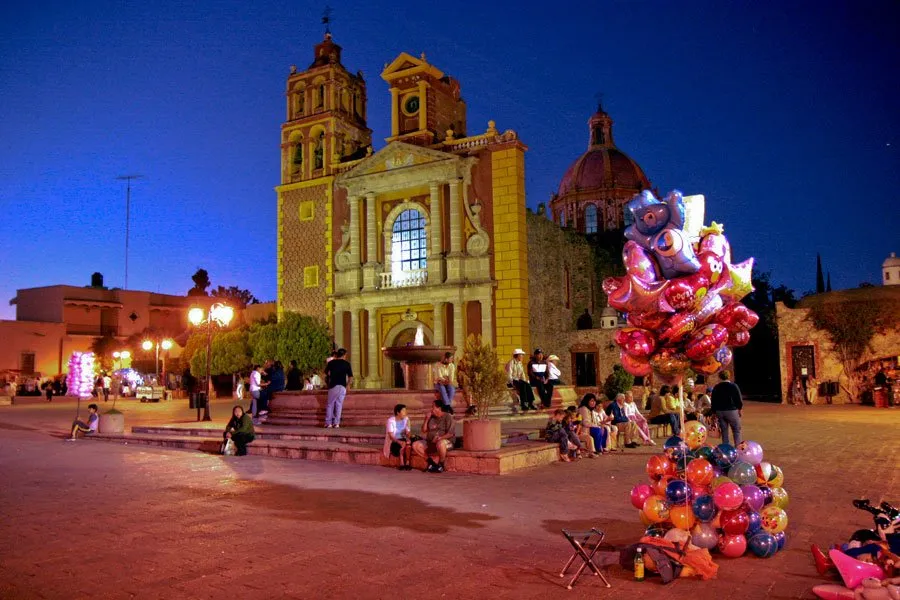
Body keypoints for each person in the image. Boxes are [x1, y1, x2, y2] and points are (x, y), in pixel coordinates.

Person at [412, 400, 455, 473]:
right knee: (415, 445)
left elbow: (450, 433)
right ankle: (431, 463)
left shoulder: (448, 417)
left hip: (445, 442)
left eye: (433, 407)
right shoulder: (431, 417)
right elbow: (424, 430)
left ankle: (441, 464)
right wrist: (426, 419)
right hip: (430, 442)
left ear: (439, 408)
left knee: (440, 443)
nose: (431, 409)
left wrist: (440, 438)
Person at [711, 370, 743, 446]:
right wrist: (740, 408)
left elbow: (713, 400)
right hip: (731, 410)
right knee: (736, 430)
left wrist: (713, 412)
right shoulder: (733, 386)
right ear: (729, 376)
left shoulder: (716, 387)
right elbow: (738, 398)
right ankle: (738, 448)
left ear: (720, 377)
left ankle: (726, 449)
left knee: (724, 431)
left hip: (720, 411)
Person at [324, 348, 353, 428]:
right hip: (342, 386)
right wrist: (347, 386)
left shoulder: (331, 363)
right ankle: (337, 423)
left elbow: (326, 373)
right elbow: (350, 377)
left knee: (330, 404)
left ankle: (328, 423)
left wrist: (328, 382)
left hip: (333, 385)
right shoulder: (347, 364)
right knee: (339, 405)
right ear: (344, 355)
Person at [384, 403, 413, 470]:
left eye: (405, 411)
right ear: (398, 412)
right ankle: (402, 462)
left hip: (403, 439)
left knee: (408, 444)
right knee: (403, 445)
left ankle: (408, 463)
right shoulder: (391, 421)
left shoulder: (406, 419)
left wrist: (408, 434)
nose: (405, 413)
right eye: (403, 411)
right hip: (394, 441)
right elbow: (391, 436)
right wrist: (399, 442)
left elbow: (408, 433)